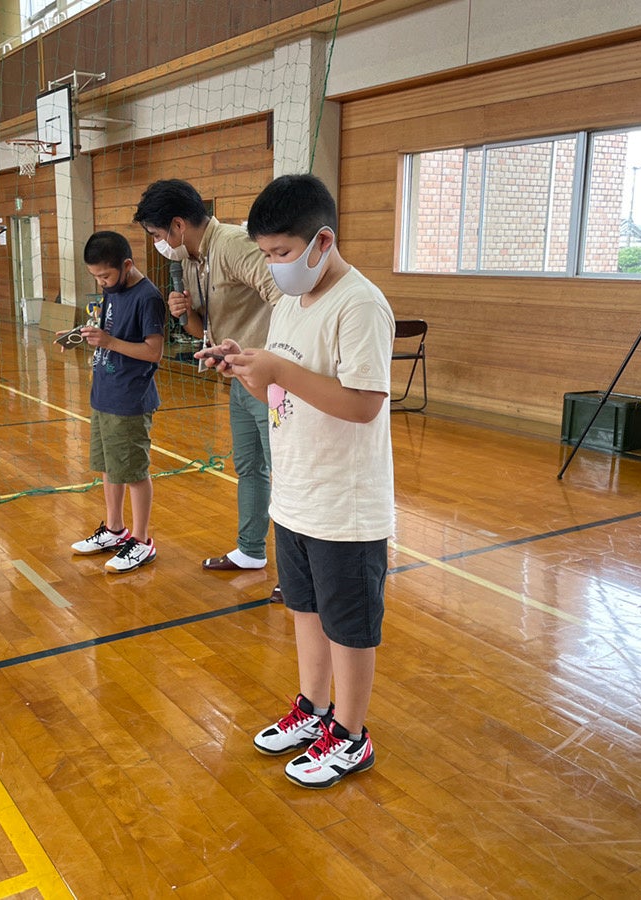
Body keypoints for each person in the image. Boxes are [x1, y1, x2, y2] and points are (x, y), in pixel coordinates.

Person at [203, 174, 394, 789]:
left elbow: (364, 403)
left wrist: (280, 368)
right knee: (305, 610)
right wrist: (247, 367)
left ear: (322, 242)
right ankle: (313, 711)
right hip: (297, 494)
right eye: (266, 254)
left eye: (282, 253)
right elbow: (280, 389)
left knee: (348, 624)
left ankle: (351, 733)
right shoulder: (289, 302)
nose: (274, 266)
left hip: (346, 502)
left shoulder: (359, 305)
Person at [134, 180, 284, 600]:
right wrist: (186, 317)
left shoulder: (234, 245)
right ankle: (252, 551)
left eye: (159, 236)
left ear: (178, 226)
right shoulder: (197, 260)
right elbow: (206, 332)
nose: (161, 244)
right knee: (250, 468)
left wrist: (274, 361)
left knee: (285, 476)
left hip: (269, 382)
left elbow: (286, 297)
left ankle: (296, 574)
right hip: (237, 379)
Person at [62, 230, 166, 573]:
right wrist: (83, 337)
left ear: (126, 265)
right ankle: (114, 529)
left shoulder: (147, 297)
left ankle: (141, 540)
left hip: (130, 399)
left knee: (133, 470)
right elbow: (109, 331)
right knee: (110, 467)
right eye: (95, 277)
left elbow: (154, 352)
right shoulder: (113, 291)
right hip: (104, 394)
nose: (102, 282)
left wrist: (107, 341)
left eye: (105, 275)